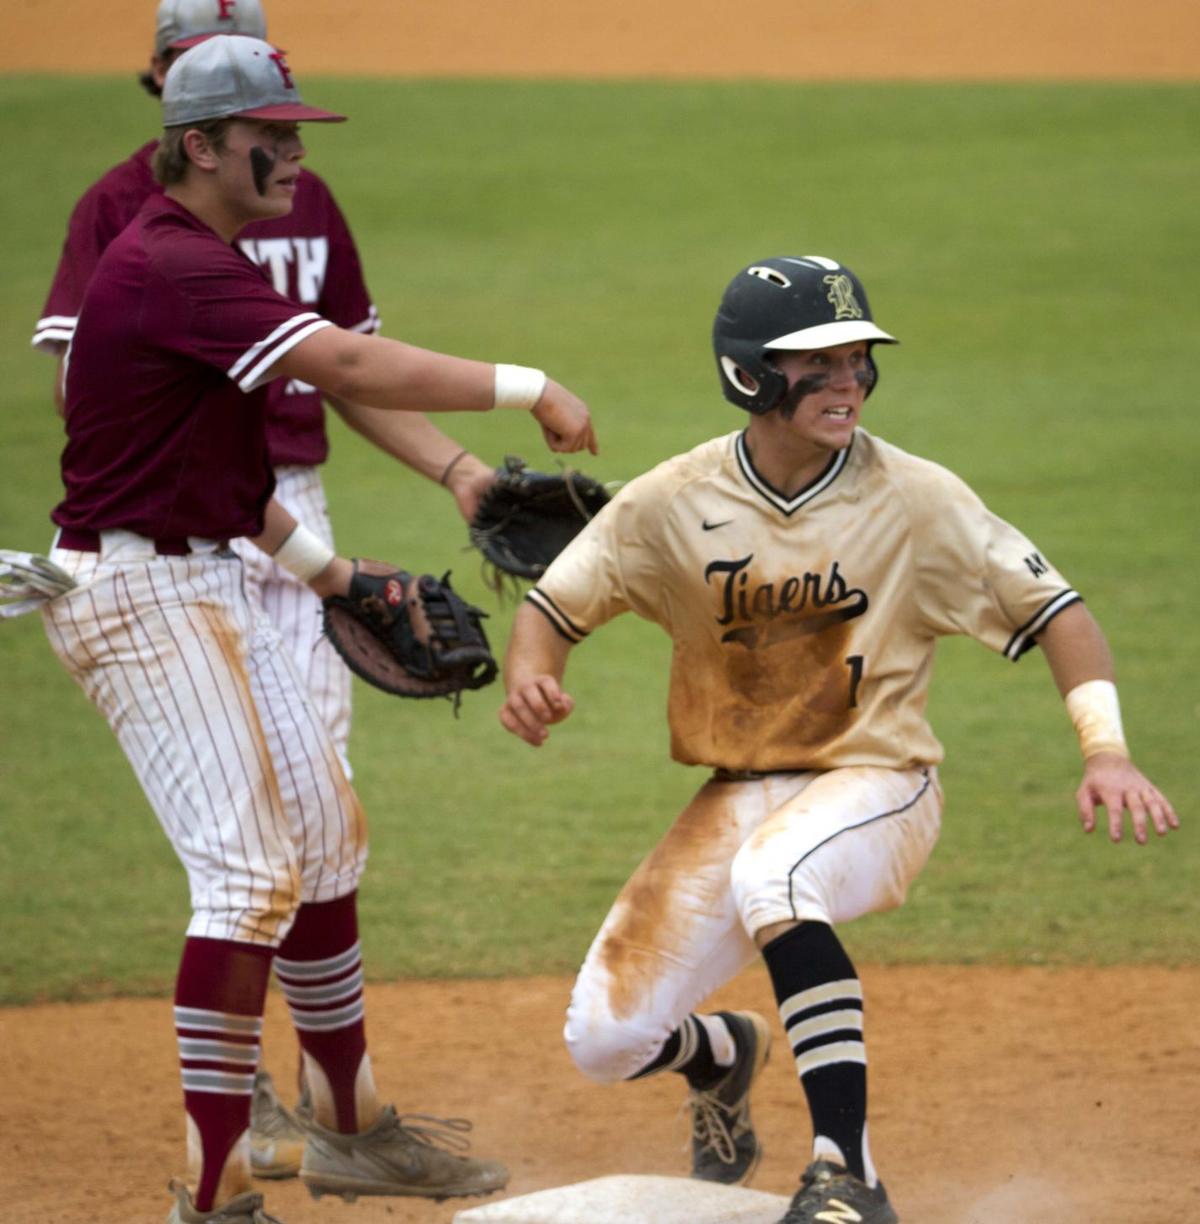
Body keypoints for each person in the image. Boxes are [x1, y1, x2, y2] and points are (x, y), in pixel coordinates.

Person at [40, 34, 596, 1224]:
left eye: (296, 132)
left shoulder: (205, 260)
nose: (294, 153)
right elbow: (345, 361)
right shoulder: (172, 261)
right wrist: (529, 384)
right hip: (141, 601)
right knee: (248, 878)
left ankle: (350, 1130)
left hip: (208, 574)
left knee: (328, 840)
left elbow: (219, 484)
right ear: (201, 146)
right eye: (271, 135)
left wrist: (335, 577)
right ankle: (216, 1193)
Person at [498, 255, 1177, 1222]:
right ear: (749, 375)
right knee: (604, 1039)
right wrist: (534, 674)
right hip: (740, 790)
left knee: (777, 874)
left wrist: (1104, 750)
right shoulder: (673, 500)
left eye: (858, 359)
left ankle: (848, 1173)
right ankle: (723, 1054)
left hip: (881, 779)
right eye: (817, 363)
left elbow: (1058, 611)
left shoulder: (915, 497)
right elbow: (556, 603)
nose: (847, 380)